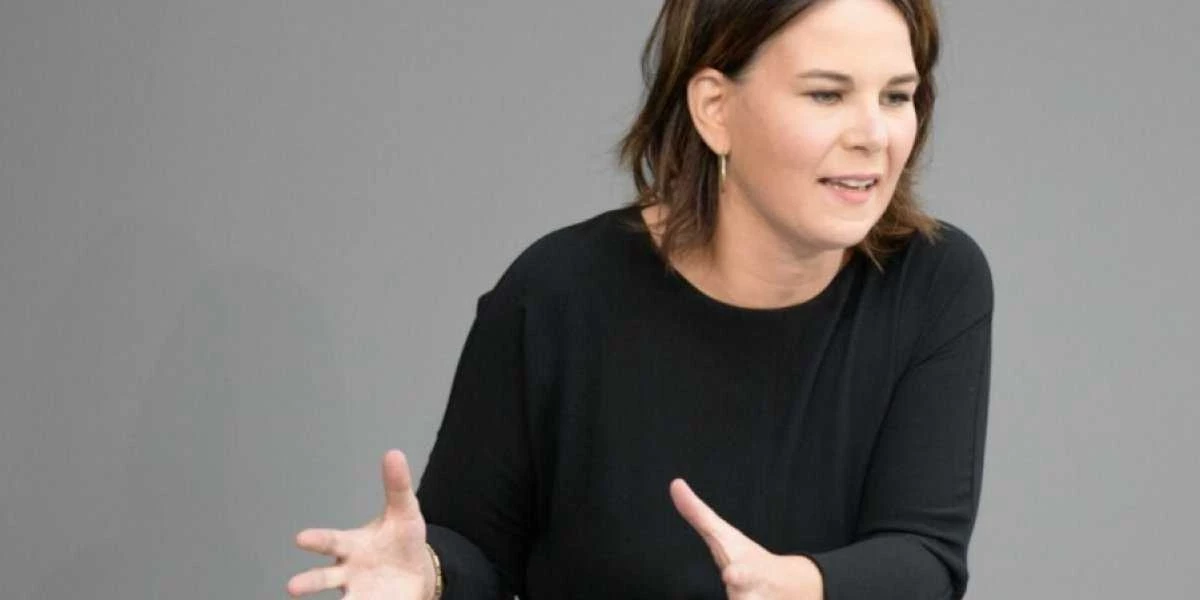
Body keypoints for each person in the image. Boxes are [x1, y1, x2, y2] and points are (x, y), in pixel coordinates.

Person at [286, 0, 993, 597]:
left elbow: (925, 557)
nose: (874, 135)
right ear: (715, 109)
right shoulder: (558, 293)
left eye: (896, 96)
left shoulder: (935, 281)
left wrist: (798, 585)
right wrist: (427, 573)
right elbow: (474, 549)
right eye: (826, 94)